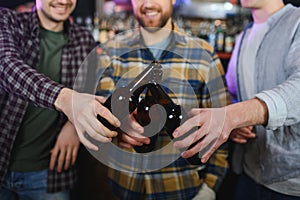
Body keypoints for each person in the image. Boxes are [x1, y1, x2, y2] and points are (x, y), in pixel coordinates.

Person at [94, 0, 229, 199]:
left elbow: (222, 124)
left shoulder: (203, 53)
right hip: (125, 188)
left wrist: (210, 186)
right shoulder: (111, 50)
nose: (148, 3)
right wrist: (116, 128)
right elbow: (100, 117)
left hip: (182, 187)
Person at [173, 0, 300, 199]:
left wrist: (233, 116)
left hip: (290, 183)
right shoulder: (244, 36)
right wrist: (235, 122)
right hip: (247, 174)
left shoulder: (297, 22)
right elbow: (234, 94)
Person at [0, 0, 120, 199]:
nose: (64, 1)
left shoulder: (84, 39)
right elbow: (6, 65)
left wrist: (73, 126)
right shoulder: (8, 20)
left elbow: (91, 87)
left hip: (50, 174)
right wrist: (66, 100)